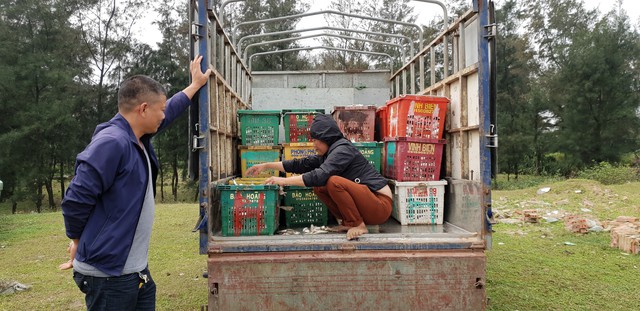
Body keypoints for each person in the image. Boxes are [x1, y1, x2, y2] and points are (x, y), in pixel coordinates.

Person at [61, 55, 211, 310]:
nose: (164, 115)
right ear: (142, 109)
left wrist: (194, 86)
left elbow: (170, 110)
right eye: (159, 109)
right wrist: (77, 240)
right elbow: (75, 198)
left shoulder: (137, 137)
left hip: (134, 271)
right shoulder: (112, 142)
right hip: (109, 276)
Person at [246, 114, 393, 240]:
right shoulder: (329, 153)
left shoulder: (342, 150)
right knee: (320, 187)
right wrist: (266, 165)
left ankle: (358, 225)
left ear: (326, 138)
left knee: (333, 182)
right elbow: (300, 164)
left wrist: (283, 181)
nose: (313, 144)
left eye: (316, 139)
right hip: (368, 205)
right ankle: (349, 222)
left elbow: (319, 175)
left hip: (380, 206)